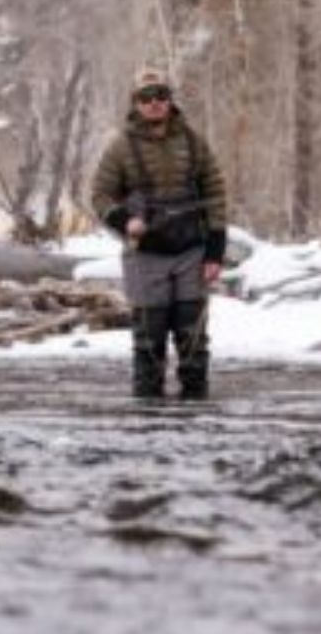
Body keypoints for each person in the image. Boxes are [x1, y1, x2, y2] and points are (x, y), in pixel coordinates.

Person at [89, 67, 229, 400]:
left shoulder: (194, 142)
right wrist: (125, 222)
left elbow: (216, 193)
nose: (154, 104)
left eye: (161, 96)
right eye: (146, 98)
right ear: (135, 103)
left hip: (191, 253)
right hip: (145, 254)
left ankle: (196, 425)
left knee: (193, 345)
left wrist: (215, 252)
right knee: (149, 347)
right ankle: (147, 430)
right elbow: (100, 195)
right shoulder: (119, 147)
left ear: (170, 100)